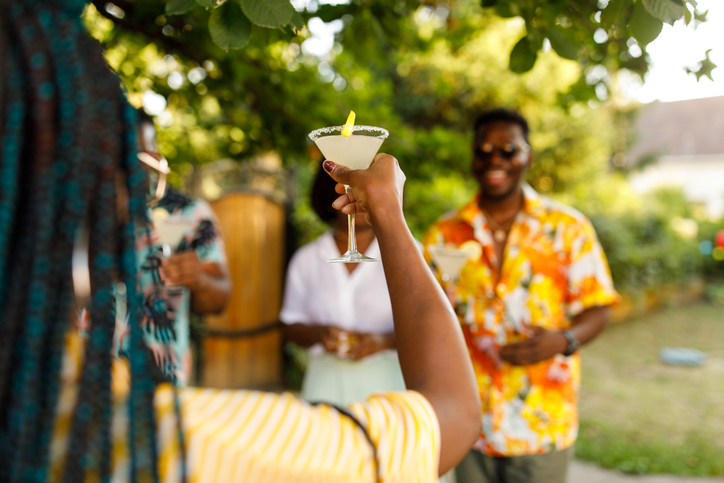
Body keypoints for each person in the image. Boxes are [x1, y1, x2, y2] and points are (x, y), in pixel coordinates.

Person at [1, 1, 481, 480]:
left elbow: (218, 295)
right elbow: (452, 417)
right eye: (125, 180)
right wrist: (391, 215)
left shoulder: (40, 402)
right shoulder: (164, 436)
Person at [422, 108, 619, 483]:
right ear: (473, 157)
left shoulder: (568, 229)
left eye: (509, 149)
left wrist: (564, 340)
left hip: (541, 422)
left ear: (528, 155)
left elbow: (598, 309)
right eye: (484, 150)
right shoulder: (444, 234)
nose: (495, 159)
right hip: (469, 422)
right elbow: (427, 314)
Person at [280, 163, 405, 406]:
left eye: (362, 186)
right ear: (330, 191)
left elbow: (426, 325)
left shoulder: (406, 255)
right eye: (346, 188)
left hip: (388, 394)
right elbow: (290, 324)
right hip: (324, 389)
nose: (355, 196)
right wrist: (319, 335)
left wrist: (384, 342)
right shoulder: (307, 259)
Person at [134, 112, 231, 385]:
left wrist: (198, 279)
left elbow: (220, 297)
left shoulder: (186, 213)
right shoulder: (71, 210)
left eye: (145, 151)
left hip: (162, 383)